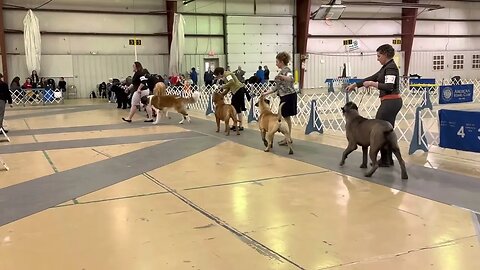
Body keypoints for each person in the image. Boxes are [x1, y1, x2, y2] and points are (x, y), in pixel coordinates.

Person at [346, 44, 402, 167]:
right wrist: (356, 85)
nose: (377, 58)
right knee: (385, 131)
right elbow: (372, 77)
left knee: (380, 130)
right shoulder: (386, 67)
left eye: (379, 56)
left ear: (385, 54)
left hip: (391, 102)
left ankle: (386, 160)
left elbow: (389, 86)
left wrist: (372, 84)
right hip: (389, 102)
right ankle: (387, 159)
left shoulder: (391, 68)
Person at [261, 52, 297, 146]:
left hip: (289, 96)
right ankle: (288, 137)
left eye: (277, 62)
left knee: (286, 117)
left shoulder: (287, 70)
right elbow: (275, 87)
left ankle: (288, 137)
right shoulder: (280, 72)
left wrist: (282, 77)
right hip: (284, 96)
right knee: (285, 117)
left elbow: (291, 78)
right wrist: (265, 93)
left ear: (281, 62)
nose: (276, 64)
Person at [214, 67, 251, 131]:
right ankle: (235, 124)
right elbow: (229, 87)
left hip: (239, 90)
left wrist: (222, 86)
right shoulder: (225, 76)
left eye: (217, 76)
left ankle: (240, 125)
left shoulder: (227, 75)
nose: (217, 77)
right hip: (236, 91)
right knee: (233, 108)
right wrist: (222, 94)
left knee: (238, 108)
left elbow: (231, 82)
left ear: (219, 73)